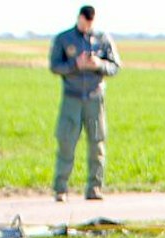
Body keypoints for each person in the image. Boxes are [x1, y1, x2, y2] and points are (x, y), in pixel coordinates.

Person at [48, 5, 120, 202]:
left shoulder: (103, 39)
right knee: (66, 143)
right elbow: (54, 66)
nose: (87, 26)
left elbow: (115, 66)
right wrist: (74, 65)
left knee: (97, 143)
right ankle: (60, 189)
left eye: (90, 23)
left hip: (95, 98)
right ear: (79, 18)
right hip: (72, 97)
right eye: (84, 22)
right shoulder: (64, 39)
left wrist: (99, 64)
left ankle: (94, 188)